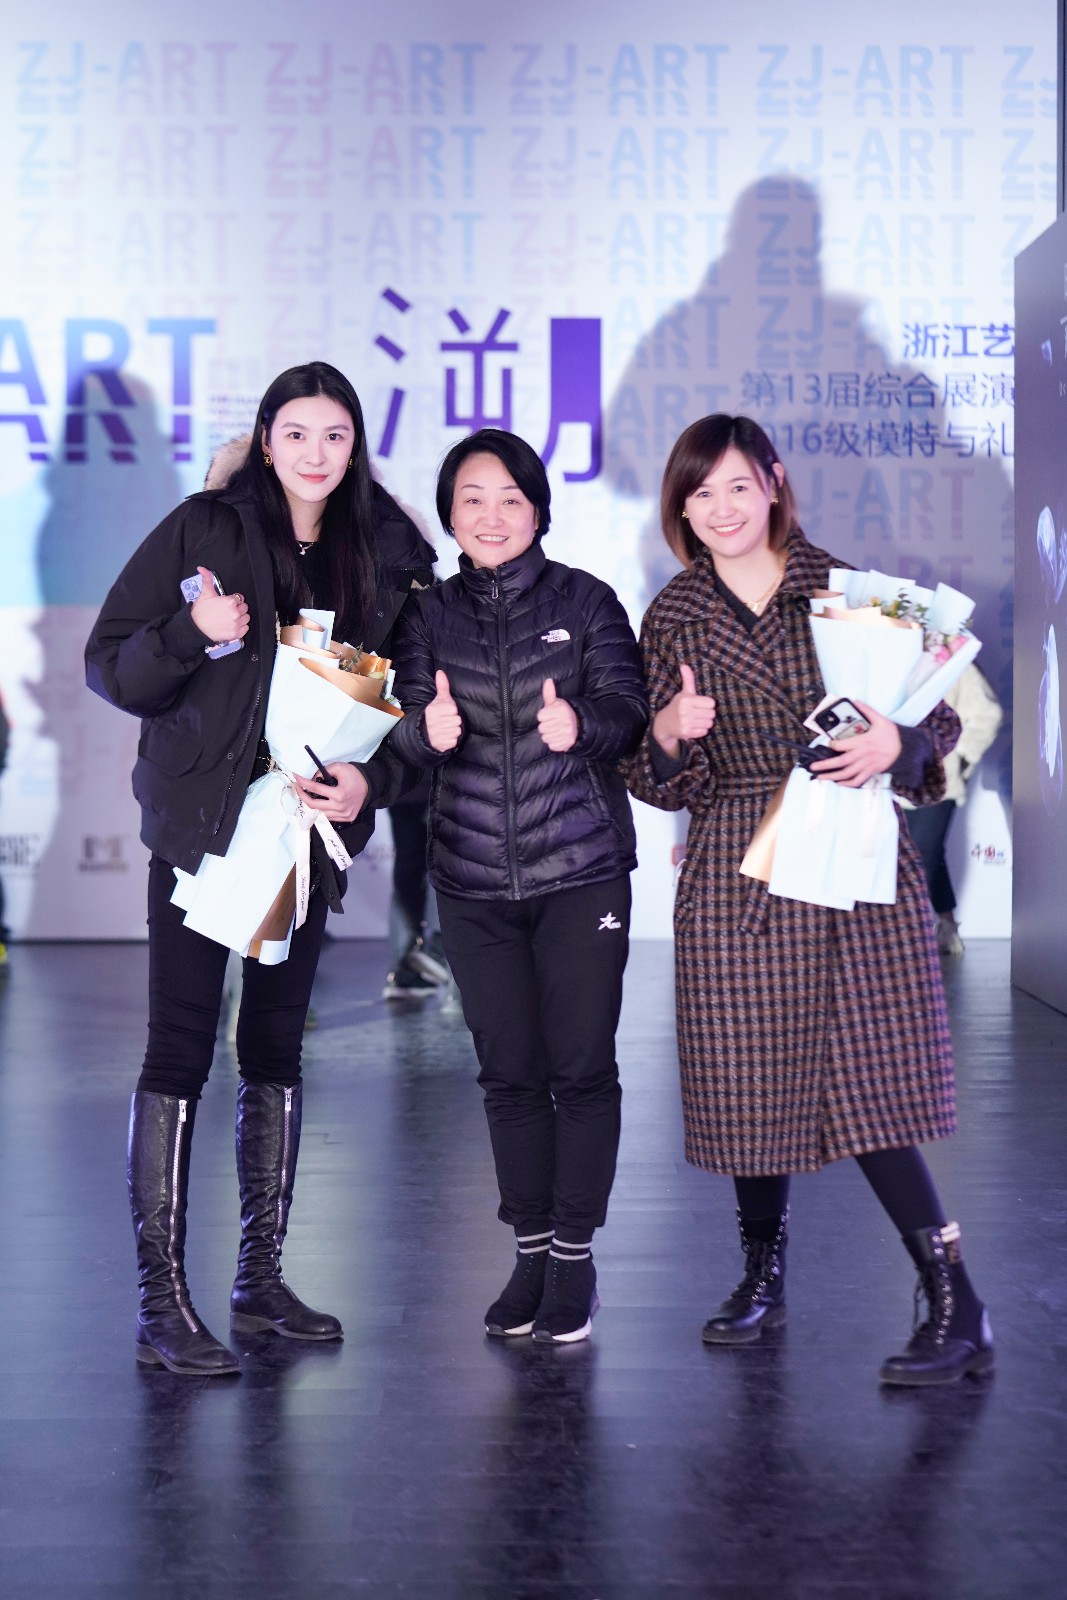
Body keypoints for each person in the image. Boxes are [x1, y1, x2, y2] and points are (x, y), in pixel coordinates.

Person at [622, 414, 993, 1386]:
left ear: (774, 483)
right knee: (747, 1082)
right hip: (736, 866)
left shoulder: (853, 592)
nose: (720, 509)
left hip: (851, 861)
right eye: (699, 494)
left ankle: (954, 1296)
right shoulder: (671, 615)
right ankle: (760, 1275)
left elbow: (936, 723)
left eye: (737, 487)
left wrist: (895, 745)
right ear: (680, 508)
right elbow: (655, 781)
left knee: (871, 1087)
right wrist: (668, 731)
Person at [85, 361, 433, 1376]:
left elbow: (415, 705)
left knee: (275, 1046)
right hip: (204, 823)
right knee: (179, 1047)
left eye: (335, 435)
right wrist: (190, 632)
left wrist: (374, 784)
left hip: (303, 827)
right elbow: (111, 664)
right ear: (267, 439)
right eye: (296, 434)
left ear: (355, 445)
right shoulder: (206, 528)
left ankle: (259, 1278)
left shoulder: (389, 552)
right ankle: (161, 1302)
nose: (316, 454)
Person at [388, 427, 649, 1343]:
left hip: (580, 869)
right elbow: (400, 730)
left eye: (509, 498)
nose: (490, 516)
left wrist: (584, 724)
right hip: (470, 879)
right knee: (507, 1074)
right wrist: (424, 734)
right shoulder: (426, 615)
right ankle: (530, 1249)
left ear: (538, 509)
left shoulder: (585, 599)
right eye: (471, 500)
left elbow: (628, 711)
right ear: (449, 515)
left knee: (580, 1068)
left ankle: (574, 1258)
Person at [903, 664, 1004, 956]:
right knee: (920, 854)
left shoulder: (953, 662)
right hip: (890, 777)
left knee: (923, 854)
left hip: (936, 780)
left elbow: (988, 714)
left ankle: (910, 936)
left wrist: (959, 758)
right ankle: (945, 925)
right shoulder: (889, 655)